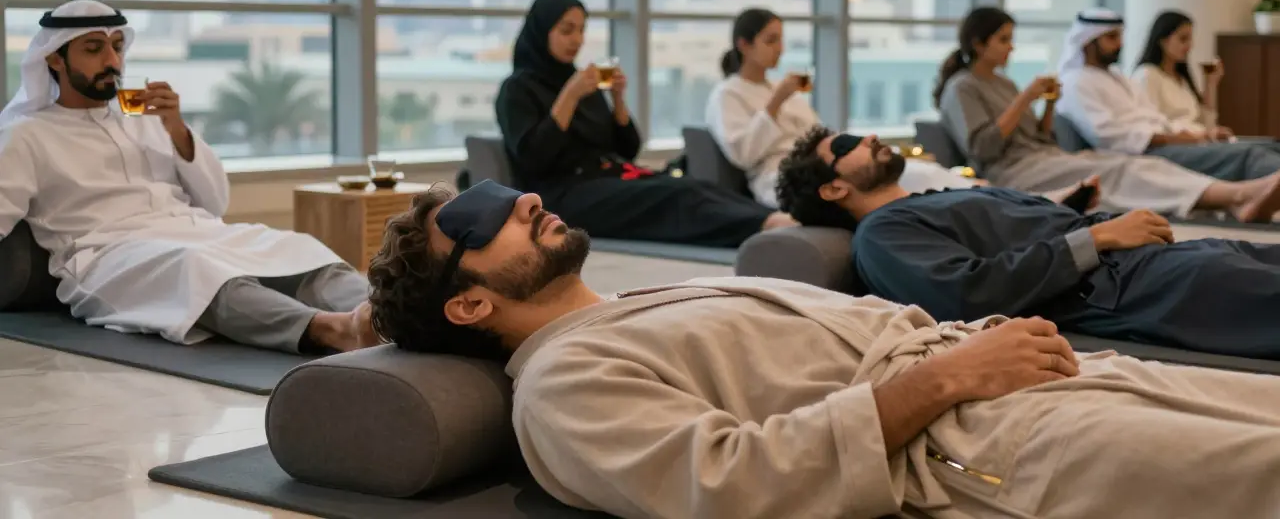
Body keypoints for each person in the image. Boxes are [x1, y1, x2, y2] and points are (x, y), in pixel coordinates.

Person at [367, 179, 1280, 519]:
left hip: (1013, 376)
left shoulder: (648, 301)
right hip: (975, 448)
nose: (524, 200)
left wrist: (971, 355)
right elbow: (729, 481)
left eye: (505, 192)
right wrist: (946, 378)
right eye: (484, 218)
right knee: (1254, 472)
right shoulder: (563, 384)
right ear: (469, 302)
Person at [0, 0, 379, 354]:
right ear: (55, 58)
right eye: (94, 49)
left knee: (293, 247)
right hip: (107, 254)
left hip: (195, 231)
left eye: (117, 47)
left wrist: (176, 129)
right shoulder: (26, 134)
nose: (112, 60)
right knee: (197, 270)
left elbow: (216, 203)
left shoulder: (149, 119)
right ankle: (335, 331)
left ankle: (392, 313)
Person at [775, 125, 1280, 360]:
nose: (867, 137)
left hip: (1154, 260)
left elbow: (998, 238)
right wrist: (1095, 237)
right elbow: (966, 294)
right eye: (847, 146)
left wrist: (1065, 208)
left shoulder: (929, 202)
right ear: (833, 189)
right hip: (1125, 288)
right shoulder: (881, 235)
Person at [495, 0, 794, 248]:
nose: (577, 40)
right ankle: (765, 227)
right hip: (561, 195)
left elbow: (627, 150)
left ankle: (774, 218)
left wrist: (618, 100)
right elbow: (534, 159)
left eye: (581, 30)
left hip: (607, 180)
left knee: (694, 185)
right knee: (676, 195)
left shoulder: (581, 84)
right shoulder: (518, 89)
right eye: (566, 30)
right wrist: (569, 97)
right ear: (542, 31)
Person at [936, 6, 1280, 222]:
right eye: (1003, 40)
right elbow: (984, 148)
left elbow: (1041, 138)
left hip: (1046, 158)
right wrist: (1026, 98)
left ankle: (1235, 197)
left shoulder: (1005, 84)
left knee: (1139, 165)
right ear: (978, 44)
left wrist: (1049, 104)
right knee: (1117, 170)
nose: (1011, 47)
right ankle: (1240, 195)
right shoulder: (961, 88)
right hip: (1014, 172)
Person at [706, 8, 983, 207]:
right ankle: (970, 197)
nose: (780, 48)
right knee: (905, 181)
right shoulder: (728, 94)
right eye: (771, 40)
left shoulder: (782, 89)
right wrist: (775, 103)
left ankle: (976, 193)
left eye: (780, 39)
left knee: (912, 171)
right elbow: (743, 155)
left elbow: (819, 135)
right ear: (744, 45)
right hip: (782, 176)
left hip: (825, 166)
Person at [1056, 8, 1280, 181]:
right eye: (1112, 38)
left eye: (1120, 36)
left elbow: (1156, 119)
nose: (1120, 44)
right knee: (1248, 154)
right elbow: (1111, 135)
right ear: (1088, 41)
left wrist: (1200, 134)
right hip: (1142, 153)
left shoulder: (1117, 78)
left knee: (1269, 146)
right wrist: (1189, 138)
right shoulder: (1075, 82)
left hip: (1169, 143)